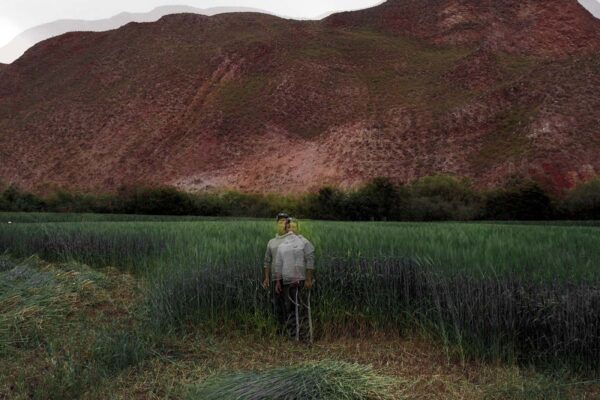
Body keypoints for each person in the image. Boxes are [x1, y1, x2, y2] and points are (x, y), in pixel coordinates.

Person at [274, 217, 315, 343]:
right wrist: (278, 281)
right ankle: (293, 338)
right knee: (290, 309)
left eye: (293, 226)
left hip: (301, 280)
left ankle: (306, 338)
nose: (290, 229)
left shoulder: (304, 242)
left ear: (297, 227)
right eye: (288, 227)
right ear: (286, 229)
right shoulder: (282, 244)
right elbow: (279, 263)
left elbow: (310, 260)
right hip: (286, 281)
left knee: (302, 309)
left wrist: (308, 279)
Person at [263, 212, 290, 333]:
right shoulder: (271, 242)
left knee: (289, 305)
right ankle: (280, 330)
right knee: (277, 304)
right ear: (276, 223)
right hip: (275, 278)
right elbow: (267, 261)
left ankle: (292, 330)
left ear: (287, 224)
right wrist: (266, 278)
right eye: (280, 221)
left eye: (284, 221)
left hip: (290, 278)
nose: (282, 223)